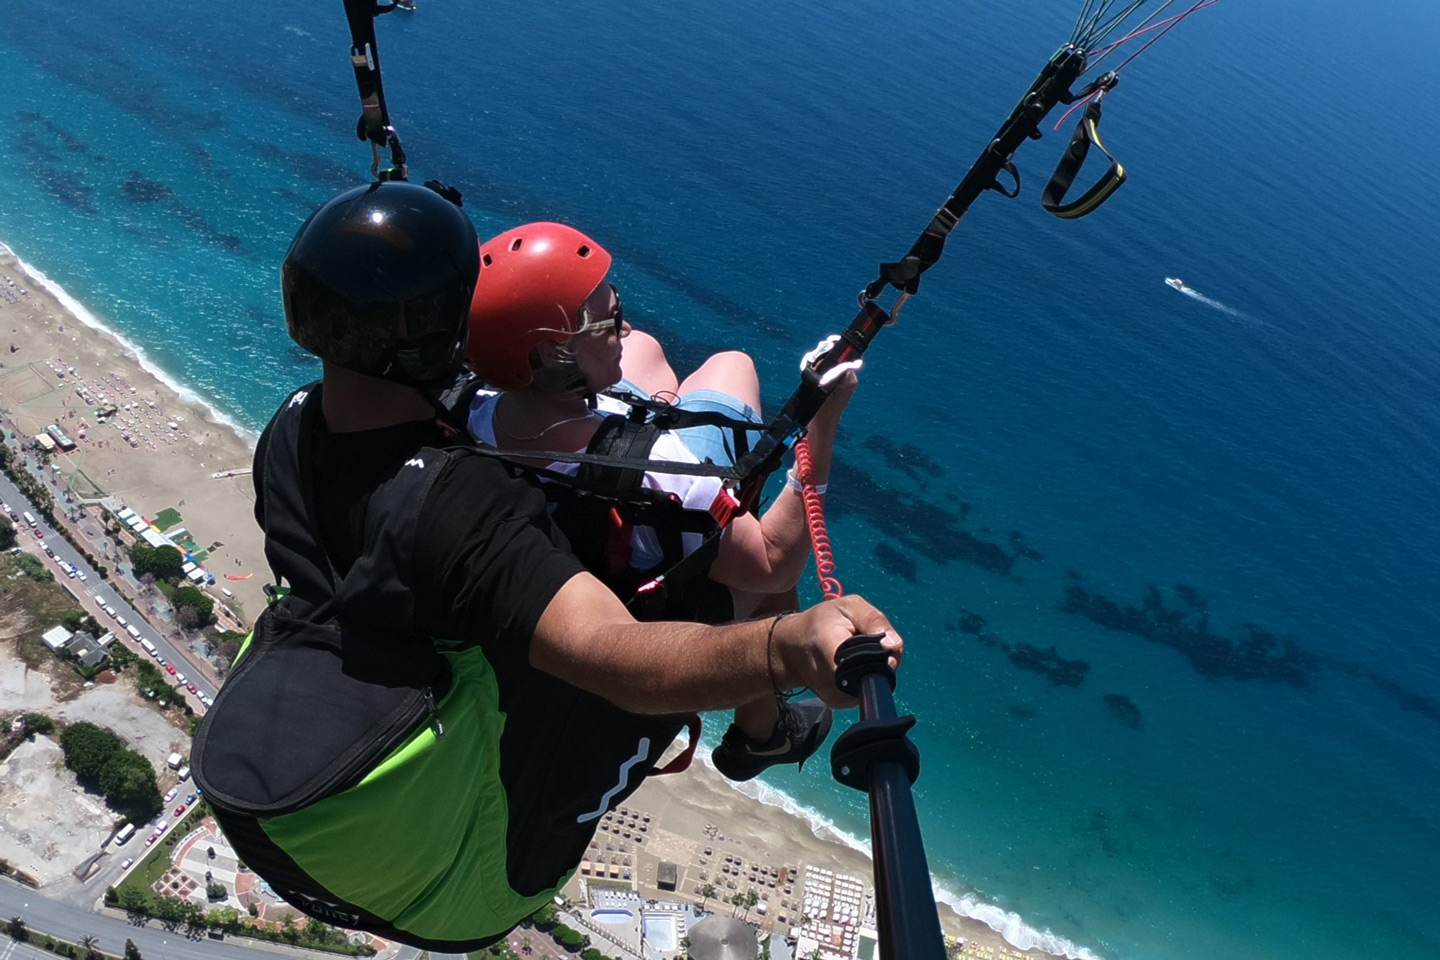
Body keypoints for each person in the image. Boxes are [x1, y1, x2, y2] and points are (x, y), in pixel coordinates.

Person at [190, 181, 901, 952]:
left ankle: (760, 725)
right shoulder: (462, 508)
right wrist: (786, 647)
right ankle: (762, 732)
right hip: (473, 873)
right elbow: (614, 656)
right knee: (762, 579)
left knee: (650, 369)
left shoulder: (293, 429)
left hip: (346, 737)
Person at [464, 221, 855, 622]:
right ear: (552, 354)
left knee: (643, 347)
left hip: (569, 450)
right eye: (612, 320)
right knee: (733, 364)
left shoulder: (471, 402)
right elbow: (774, 566)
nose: (625, 327)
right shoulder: (665, 473)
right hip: (646, 538)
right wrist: (821, 423)